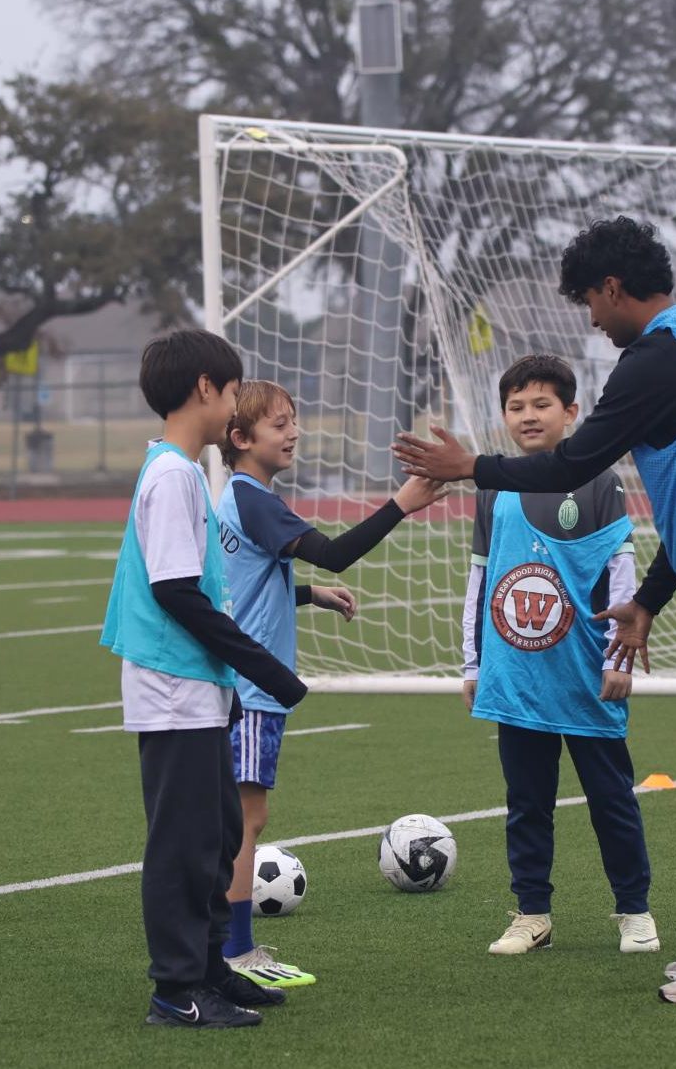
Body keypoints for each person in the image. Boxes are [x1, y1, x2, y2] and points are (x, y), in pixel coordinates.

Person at [393, 216, 676, 1005]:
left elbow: (573, 460)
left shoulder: (653, 357)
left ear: (613, 289)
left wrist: (471, 466)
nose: (590, 320)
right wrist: (648, 603)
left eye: (589, 303)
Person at [100, 330, 309, 1029]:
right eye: (229, 392)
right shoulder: (170, 476)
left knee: (219, 833)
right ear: (203, 390)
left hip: (201, 688)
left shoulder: (187, 473)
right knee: (183, 846)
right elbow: (175, 593)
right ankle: (176, 990)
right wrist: (266, 668)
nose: (233, 408)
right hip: (171, 689)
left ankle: (211, 968)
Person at [215, 380, 447, 987]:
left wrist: (306, 594)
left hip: (242, 680)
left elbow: (240, 587)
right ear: (240, 439)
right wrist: (402, 503)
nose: (293, 432)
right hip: (253, 686)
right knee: (245, 821)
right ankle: (235, 951)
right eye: (278, 425)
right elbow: (335, 552)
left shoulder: (242, 498)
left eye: (293, 420)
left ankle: (227, 945)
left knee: (238, 819)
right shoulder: (254, 499)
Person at [462, 354, 657, 958]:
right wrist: (472, 662)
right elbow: (479, 577)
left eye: (541, 404)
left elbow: (621, 576)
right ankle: (531, 913)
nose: (528, 416)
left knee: (612, 800)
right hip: (517, 677)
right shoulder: (495, 488)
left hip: (584, 678)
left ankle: (634, 911)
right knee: (526, 804)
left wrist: (616, 661)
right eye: (516, 406)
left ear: (571, 413)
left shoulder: (599, 482)